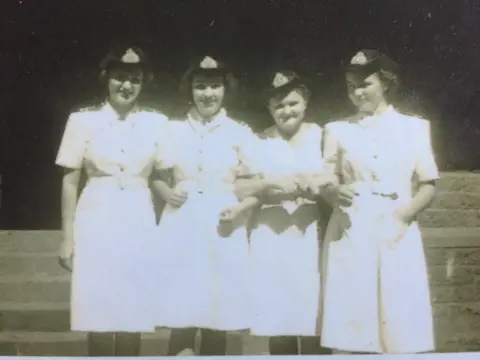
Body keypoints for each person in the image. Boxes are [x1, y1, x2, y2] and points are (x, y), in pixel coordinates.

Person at [56, 46, 173, 356]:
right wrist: (67, 237)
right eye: (120, 78)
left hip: (138, 216)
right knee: (97, 306)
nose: (127, 86)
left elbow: (164, 177)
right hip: (96, 216)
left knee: (132, 307)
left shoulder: (156, 122)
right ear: (106, 79)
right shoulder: (82, 121)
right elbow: (70, 181)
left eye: (134, 79)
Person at [320, 49, 439, 354]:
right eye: (351, 86)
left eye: (365, 84)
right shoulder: (336, 129)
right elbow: (326, 180)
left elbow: (428, 184)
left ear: (385, 82)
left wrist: (404, 215)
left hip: (396, 227)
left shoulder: (414, 128)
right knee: (352, 320)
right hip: (351, 227)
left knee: (397, 322)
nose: (357, 92)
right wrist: (333, 191)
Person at [153, 55, 259, 356]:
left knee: (216, 314)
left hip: (221, 227)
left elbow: (256, 185)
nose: (207, 94)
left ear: (226, 90)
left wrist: (240, 210)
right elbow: (153, 174)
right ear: (190, 89)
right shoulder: (171, 129)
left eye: (214, 86)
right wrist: (164, 192)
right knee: (182, 314)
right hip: (181, 225)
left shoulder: (240, 132)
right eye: (201, 86)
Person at [234, 71, 333, 355]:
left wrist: (316, 184)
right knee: (280, 322)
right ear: (268, 108)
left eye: (292, 103)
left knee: (315, 319)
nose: (286, 111)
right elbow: (240, 188)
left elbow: (337, 175)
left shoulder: (322, 136)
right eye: (278, 105)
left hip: (311, 233)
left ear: (305, 102)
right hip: (271, 236)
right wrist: (268, 184)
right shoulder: (258, 141)